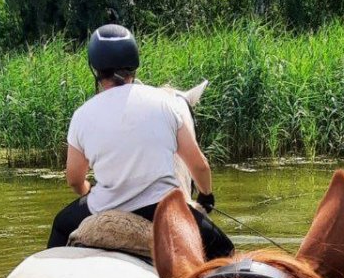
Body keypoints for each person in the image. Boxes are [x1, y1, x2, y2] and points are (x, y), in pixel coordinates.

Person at [47, 23, 234, 260]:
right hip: (163, 211)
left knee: (61, 225)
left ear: (95, 69)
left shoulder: (82, 115)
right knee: (225, 251)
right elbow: (199, 166)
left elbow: (74, 178)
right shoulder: (165, 103)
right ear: (134, 65)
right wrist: (206, 195)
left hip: (104, 207)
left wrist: (88, 192)